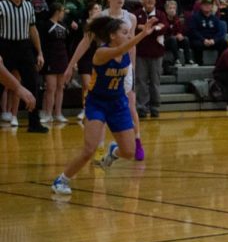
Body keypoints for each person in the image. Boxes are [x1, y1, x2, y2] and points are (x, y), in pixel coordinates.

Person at [50, 13, 159, 195]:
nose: (128, 35)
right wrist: (143, 34)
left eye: (129, 32)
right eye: (125, 32)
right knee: (89, 149)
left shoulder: (125, 52)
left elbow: (126, 63)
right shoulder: (102, 53)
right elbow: (120, 49)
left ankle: (113, 152)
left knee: (129, 152)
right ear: (112, 36)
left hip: (118, 103)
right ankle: (62, 179)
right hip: (97, 103)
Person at [66, 0, 146, 159]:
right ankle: (100, 148)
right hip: (103, 66)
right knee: (102, 108)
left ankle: (135, 141)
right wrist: (71, 64)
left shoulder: (131, 18)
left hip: (123, 67)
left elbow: (131, 45)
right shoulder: (100, 17)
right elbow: (85, 42)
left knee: (130, 104)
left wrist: (131, 67)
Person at [0, 0, 46, 132]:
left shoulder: (28, 6)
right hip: (5, 46)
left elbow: (33, 30)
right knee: (1, 84)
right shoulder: (1, 6)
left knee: (32, 84)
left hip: (24, 47)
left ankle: (34, 123)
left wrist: (39, 52)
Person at [135, 0, 168, 118]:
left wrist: (144, 28)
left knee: (155, 82)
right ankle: (141, 108)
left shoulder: (160, 14)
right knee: (141, 82)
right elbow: (133, 28)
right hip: (140, 54)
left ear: (155, 0)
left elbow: (163, 28)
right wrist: (150, 28)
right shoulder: (137, 14)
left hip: (156, 55)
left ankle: (155, 107)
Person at [38, 3, 69, 124]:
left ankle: (58, 113)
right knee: (50, 88)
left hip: (62, 59)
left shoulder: (63, 26)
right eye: (62, 11)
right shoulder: (46, 25)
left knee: (60, 87)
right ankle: (47, 114)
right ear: (57, 11)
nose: (63, 14)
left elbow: (67, 43)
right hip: (50, 59)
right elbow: (43, 44)